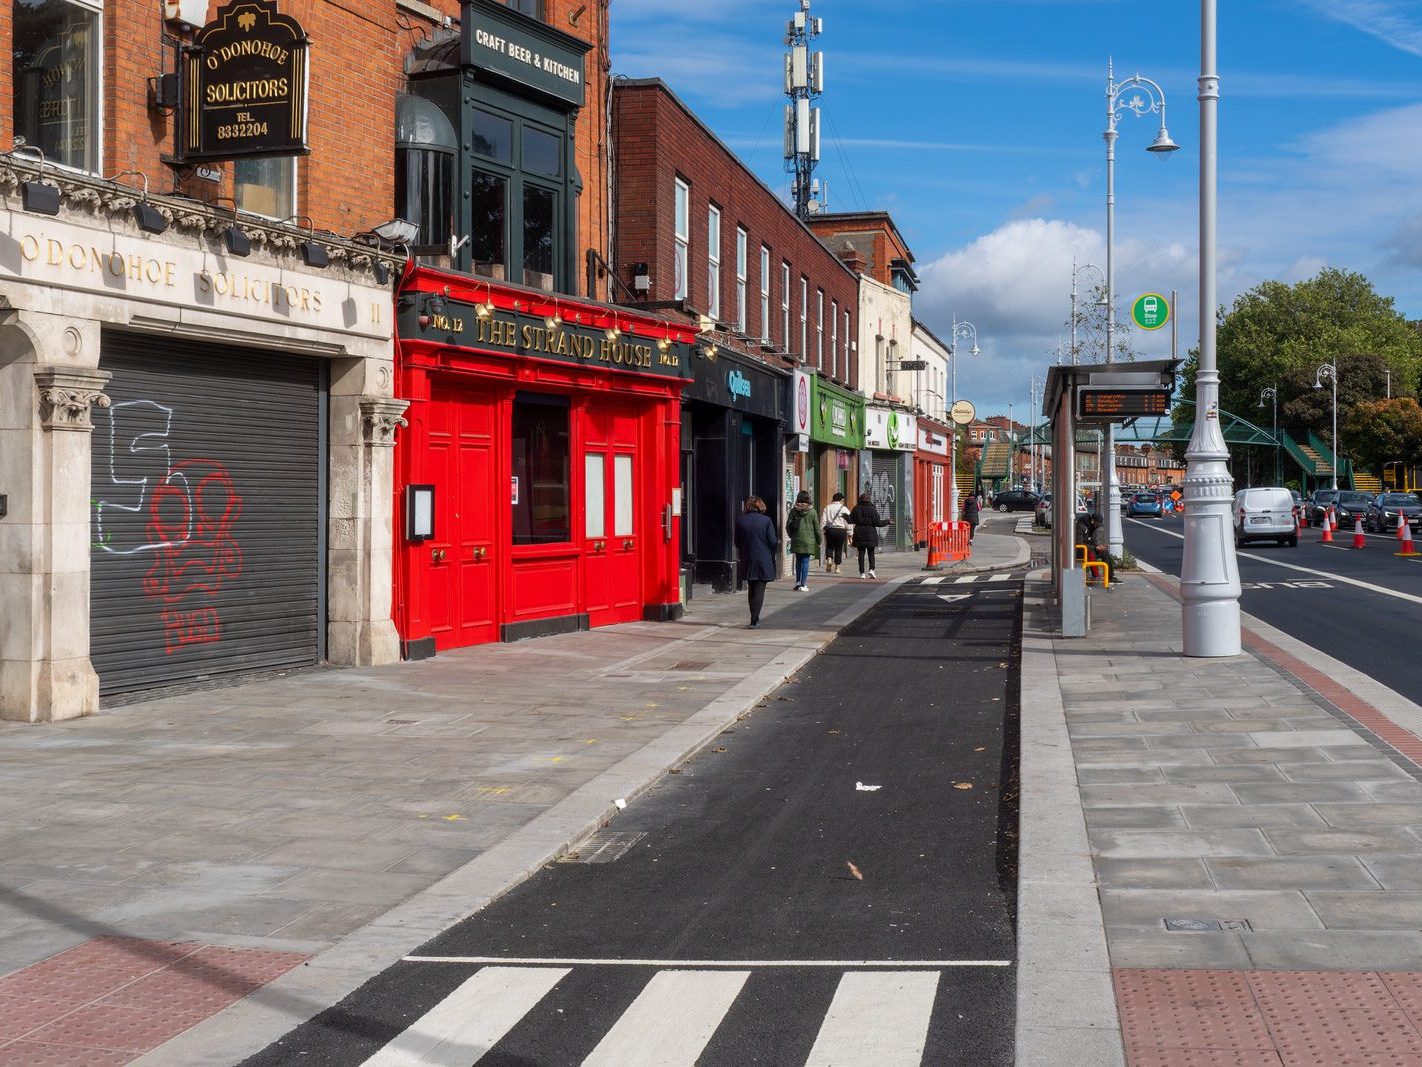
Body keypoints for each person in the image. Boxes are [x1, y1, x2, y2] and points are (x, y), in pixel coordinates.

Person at [734, 496, 779, 628]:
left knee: (751, 587)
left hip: (747, 558)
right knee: (759, 589)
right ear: (761, 506)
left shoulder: (740, 521)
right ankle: (755, 619)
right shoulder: (766, 521)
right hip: (763, 559)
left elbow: (737, 542)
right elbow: (773, 541)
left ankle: (753, 616)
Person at [848, 491, 891, 579]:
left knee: (861, 553)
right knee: (871, 553)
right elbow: (878, 523)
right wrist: (888, 521)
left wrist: (845, 516)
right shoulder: (872, 509)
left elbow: (851, 521)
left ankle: (862, 573)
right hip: (870, 533)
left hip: (859, 533)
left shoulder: (856, 508)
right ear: (869, 500)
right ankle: (872, 570)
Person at [786, 489, 821, 591]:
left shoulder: (793, 511)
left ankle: (797, 582)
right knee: (805, 561)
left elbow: (788, 526)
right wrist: (819, 541)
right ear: (808, 499)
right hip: (808, 541)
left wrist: (792, 535)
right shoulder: (812, 511)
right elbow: (817, 528)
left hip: (796, 539)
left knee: (798, 561)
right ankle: (803, 584)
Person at [820, 491, 851, 574]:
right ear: (840, 500)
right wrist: (850, 533)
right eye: (843, 500)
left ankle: (829, 559)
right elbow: (849, 521)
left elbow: (823, 520)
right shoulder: (844, 509)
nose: (843, 502)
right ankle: (837, 567)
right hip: (841, 530)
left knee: (829, 546)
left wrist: (823, 530)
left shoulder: (827, 508)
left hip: (830, 530)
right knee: (839, 548)